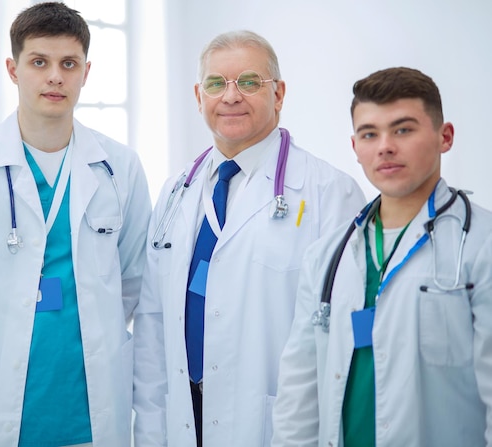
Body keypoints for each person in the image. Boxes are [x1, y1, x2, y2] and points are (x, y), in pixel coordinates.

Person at [0, 3, 151, 446]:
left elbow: (134, 278)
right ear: (13, 69)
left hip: (91, 404)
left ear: (86, 72)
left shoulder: (120, 168)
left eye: (68, 63)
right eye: (39, 62)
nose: (55, 76)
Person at [132, 30, 366, 447]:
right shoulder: (175, 191)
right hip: (183, 419)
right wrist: (150, 427)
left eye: (250, 82)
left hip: (274, 423)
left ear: (279, 94)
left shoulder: (329, 192)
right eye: (216, 83)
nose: (231, 96)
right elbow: (152, 322)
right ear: (198, 96)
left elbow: (345, 336)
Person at [271, 67, 492, 447]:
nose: (385, 146)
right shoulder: (327, 257)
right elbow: (299, 394)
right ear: (355, 147)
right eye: (370, 133)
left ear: (445, 137)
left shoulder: (480, 246)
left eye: (403, 129)